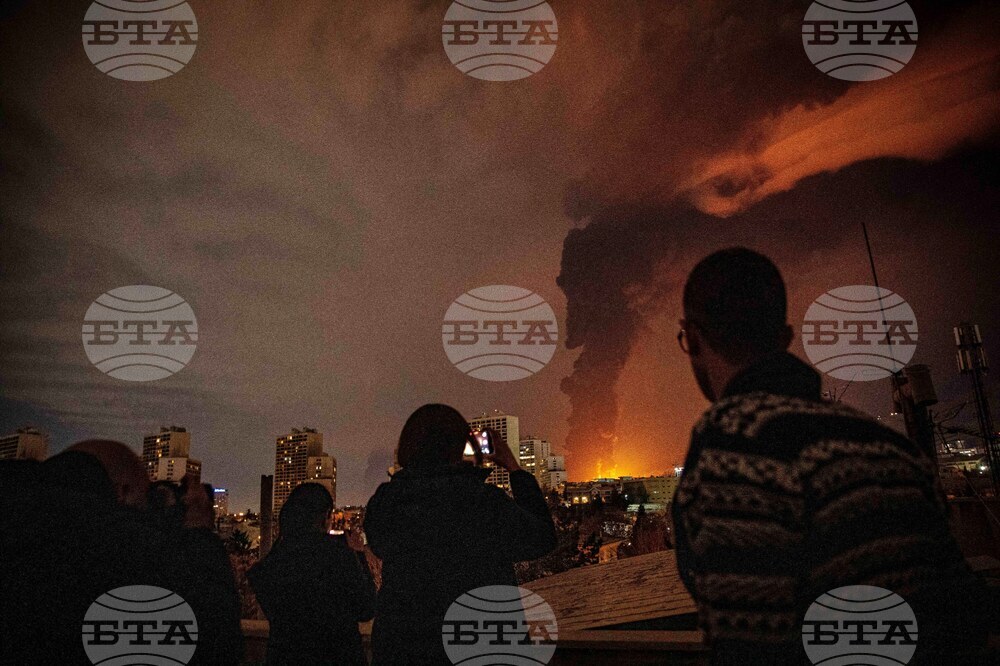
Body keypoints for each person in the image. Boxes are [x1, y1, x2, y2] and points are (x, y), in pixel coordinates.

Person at [671, 248, 990, 665]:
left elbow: (750, 646)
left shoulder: (732, 446)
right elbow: (964, 617)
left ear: (693, 338)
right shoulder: (891, 447)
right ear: (785, 339)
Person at [0, 440, 243, 665]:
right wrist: (199, 529)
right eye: (146, 496)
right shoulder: (104, 538)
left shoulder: (18, 505)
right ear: (123, 492)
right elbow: (212, 635)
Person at [364, 404, 557, 665]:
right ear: (459, 446)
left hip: (403, 647)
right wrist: (513, 467)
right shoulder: (483, 502)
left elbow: (379, 545)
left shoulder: (386, 503)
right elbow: (542, 538)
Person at [249, 482, 376, 665]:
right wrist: (359, 555)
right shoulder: (338, 556)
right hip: (338, 656)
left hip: (286, 657)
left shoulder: (276, 560)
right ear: (326, 516)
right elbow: (367, 608)